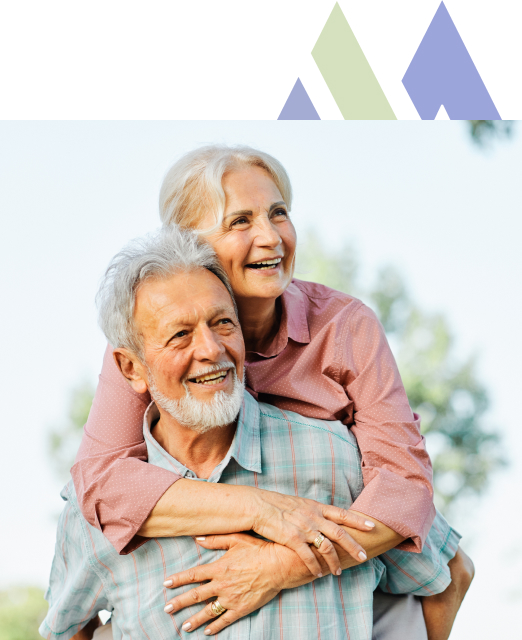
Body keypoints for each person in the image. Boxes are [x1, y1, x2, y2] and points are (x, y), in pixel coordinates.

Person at [72, 145, 474, 639]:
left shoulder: (345, 325)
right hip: (249, 506)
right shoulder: (153, 335)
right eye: (240, 221)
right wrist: (262, 510)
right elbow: (100, 483)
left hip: (336, 517)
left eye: (278, 213)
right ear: (187, 244)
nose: (270, 237)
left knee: (450, 569)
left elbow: (406, 485)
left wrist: (277, 567)